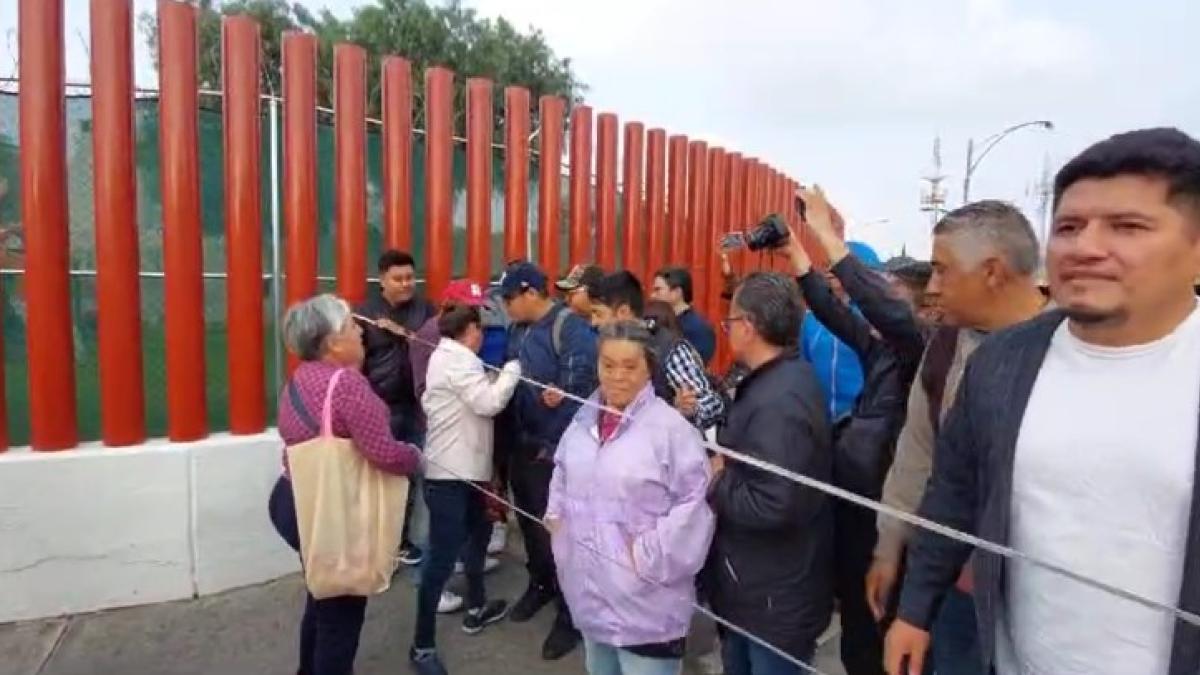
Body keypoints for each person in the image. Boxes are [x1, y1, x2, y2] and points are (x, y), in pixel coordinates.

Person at [886, 128, 1200, 675]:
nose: (1086, 247)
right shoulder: (1004, 363)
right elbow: (952, 497)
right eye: (1070, 227)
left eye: (1127, 226)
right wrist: (914, 611)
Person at [867, 200, 1047, 675]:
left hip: (1042, 603)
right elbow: (918, 455)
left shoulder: (1072, 350)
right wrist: (890, 545)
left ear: (991, 271)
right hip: (954, 592)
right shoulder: (946, 348)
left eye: (943, 271)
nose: (932, 289)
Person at [784, 188, 927, 675]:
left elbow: (879, 308)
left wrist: (826, 233)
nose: (878, 308)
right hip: (857, 498)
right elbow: (835, 312)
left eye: (893, 295)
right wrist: (799, 258)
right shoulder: (882, 352)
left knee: (881, 624)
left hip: (890, 512)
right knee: (857, 623)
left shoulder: (923, 352)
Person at [547, 320, 716, 675]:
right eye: (608, 365)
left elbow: (694, 505)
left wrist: (644, 559)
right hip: (589, 591)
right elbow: (561, 473)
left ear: (648, 369)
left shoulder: (671, 430)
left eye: (629, 366)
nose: (617, 376)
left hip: (648, 604)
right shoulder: (582, 420)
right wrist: (558, 524)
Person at [269, 294, 421, 675]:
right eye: (353, 327)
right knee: (341, 617)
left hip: (293, 502)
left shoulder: (299, 379)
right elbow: (384, 453)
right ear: (334, 342)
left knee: (322, 597)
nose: (362, 333)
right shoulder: (347, 386)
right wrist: (417, 456)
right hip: (328, 511)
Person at [706, 272, 834, 674]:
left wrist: (717, 479)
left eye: (730, 322)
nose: (727, 331)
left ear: (750, 326)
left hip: (773, 598)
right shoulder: (776, 381)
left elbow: (774, 503)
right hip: (757, 587)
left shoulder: (780, 400)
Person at [410, 302, 522, 675]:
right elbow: (488, 403)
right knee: (441, 561)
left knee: (477, 537)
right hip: (449, 475)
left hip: (468, 470)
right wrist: (512, 370)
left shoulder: (450, 357)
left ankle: (476, 608)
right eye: (482, 331)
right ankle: (422, 646)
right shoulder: (456, 359)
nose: (484, 338)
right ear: (470, 330)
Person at [498, 261, 598, 660]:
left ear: (532, 293)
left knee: (560, 533)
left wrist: (560, 398)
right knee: (529, 522)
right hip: (520, 445)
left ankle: (571, 614)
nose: (505, 306)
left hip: (555, 450)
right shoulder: (517, 330)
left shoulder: (570, 328)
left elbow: (581, 390)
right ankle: (539, 583)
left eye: (509, 298)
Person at [404, 279, 504, 612]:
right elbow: (427, 389)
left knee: (467, 517)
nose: (478, 319)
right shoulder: (435, 338)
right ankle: (432, 584)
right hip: (442, 434)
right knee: (440, 520)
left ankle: (466, 578)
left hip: (462, 436)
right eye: (471, 309)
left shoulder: (459, 338)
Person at [357, 250, 436, 567]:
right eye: (398, 279)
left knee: (418, 476)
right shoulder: (363, 315)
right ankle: (378, 548)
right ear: (382, 280)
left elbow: (436, 348)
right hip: (381, 409)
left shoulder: (425, 310)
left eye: (410, 278)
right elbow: (356, 364)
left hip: (418, 408)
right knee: (380, 479)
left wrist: (407, 335)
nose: (406, 284)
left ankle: (408, 542)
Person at [591, 271, 725, 430]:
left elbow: (713, 403)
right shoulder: (604, 347)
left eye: (598, 314)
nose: (594, 322)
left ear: (623, 312)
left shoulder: (667, 348)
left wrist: (688, 409)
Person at [800, 240, 882, 423]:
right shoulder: (812, 320)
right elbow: (803, 368)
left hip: (864, 425)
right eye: (827, 263)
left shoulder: (877, 320)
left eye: (836, 264)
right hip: (820, 424)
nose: (829, 270)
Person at [652, 266, 717, 364]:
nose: (652, 296)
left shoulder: (699, 329)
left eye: (658, 290)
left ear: (677, 292)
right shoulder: (657, 323)